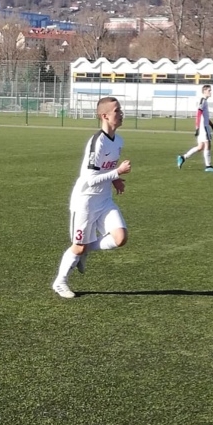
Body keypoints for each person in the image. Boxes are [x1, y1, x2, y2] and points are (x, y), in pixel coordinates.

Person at [52, 96, 132, 299]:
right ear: (105, 116)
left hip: (104, 200)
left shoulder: (118, 140)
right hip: (85, 202)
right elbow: (90, 179)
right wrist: (117, 172)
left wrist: (115, 180)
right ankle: (60, 282)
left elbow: (105, 169)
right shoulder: (98, 142)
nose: (121, 113)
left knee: (120, 238)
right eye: (117, 111)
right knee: (78, 247)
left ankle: (85, 248)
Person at [177, 84, 213, 173]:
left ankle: (183, 157)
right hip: (203, 127)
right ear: (204, 91)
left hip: (203, 126)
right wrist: (197, 127)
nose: (210, 92)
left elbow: (204, 117)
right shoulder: (203, 101)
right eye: (209, 90)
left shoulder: (204, 101)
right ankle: (208, 166)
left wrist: (212, 125)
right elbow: (198, 114)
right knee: (208, 144)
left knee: (200, 147)